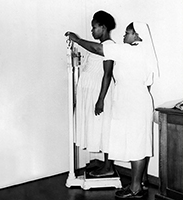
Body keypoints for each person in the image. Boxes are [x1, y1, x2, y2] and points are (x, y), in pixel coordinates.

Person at [65, 21, 159, 198]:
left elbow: (99, 49)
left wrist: (76, 40)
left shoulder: (130, 50)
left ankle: (136, 189)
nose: (124, 36)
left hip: (133, 103)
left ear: (138, 35)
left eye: (128, 33)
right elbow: (148, 84)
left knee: (136, 145)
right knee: (137, 143)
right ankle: (140, 182)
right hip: (138, 101)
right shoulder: (142, 52)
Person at [75, 10, 116, 177]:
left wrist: (100, 100)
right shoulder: (98, 46)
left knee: (105, 128)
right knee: (97, 128)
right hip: (90, 93)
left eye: (94, 27)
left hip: (100, 93)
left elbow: (107, 74)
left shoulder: (109, 46)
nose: (92, 31)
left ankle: (108, 166)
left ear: (103, 27)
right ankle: (105, 166)